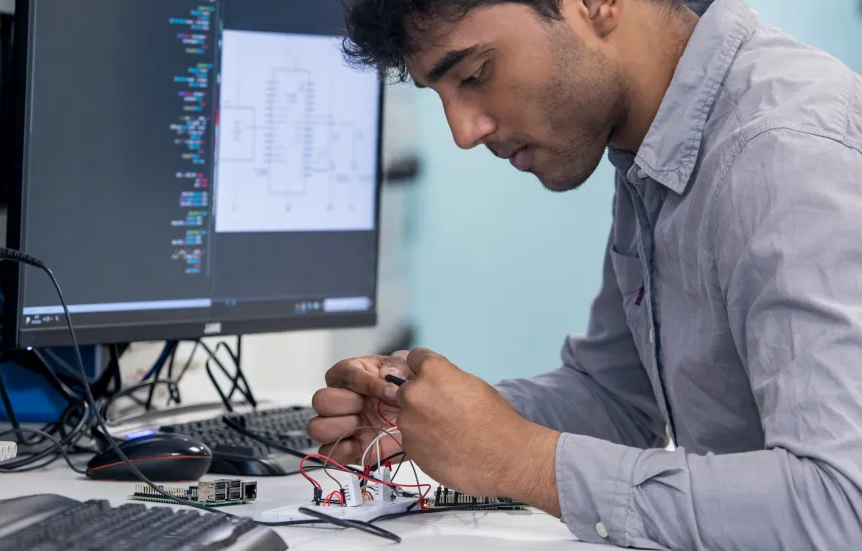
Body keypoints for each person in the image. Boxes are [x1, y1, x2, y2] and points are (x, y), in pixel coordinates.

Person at [307, 0, 862, 548]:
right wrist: (434, 424)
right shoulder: (655, 149)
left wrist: (520, 458)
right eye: (442, 96)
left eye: (475, 74)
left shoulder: (784, 154)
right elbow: (618, 398)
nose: (463, 132)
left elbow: (841, 508)